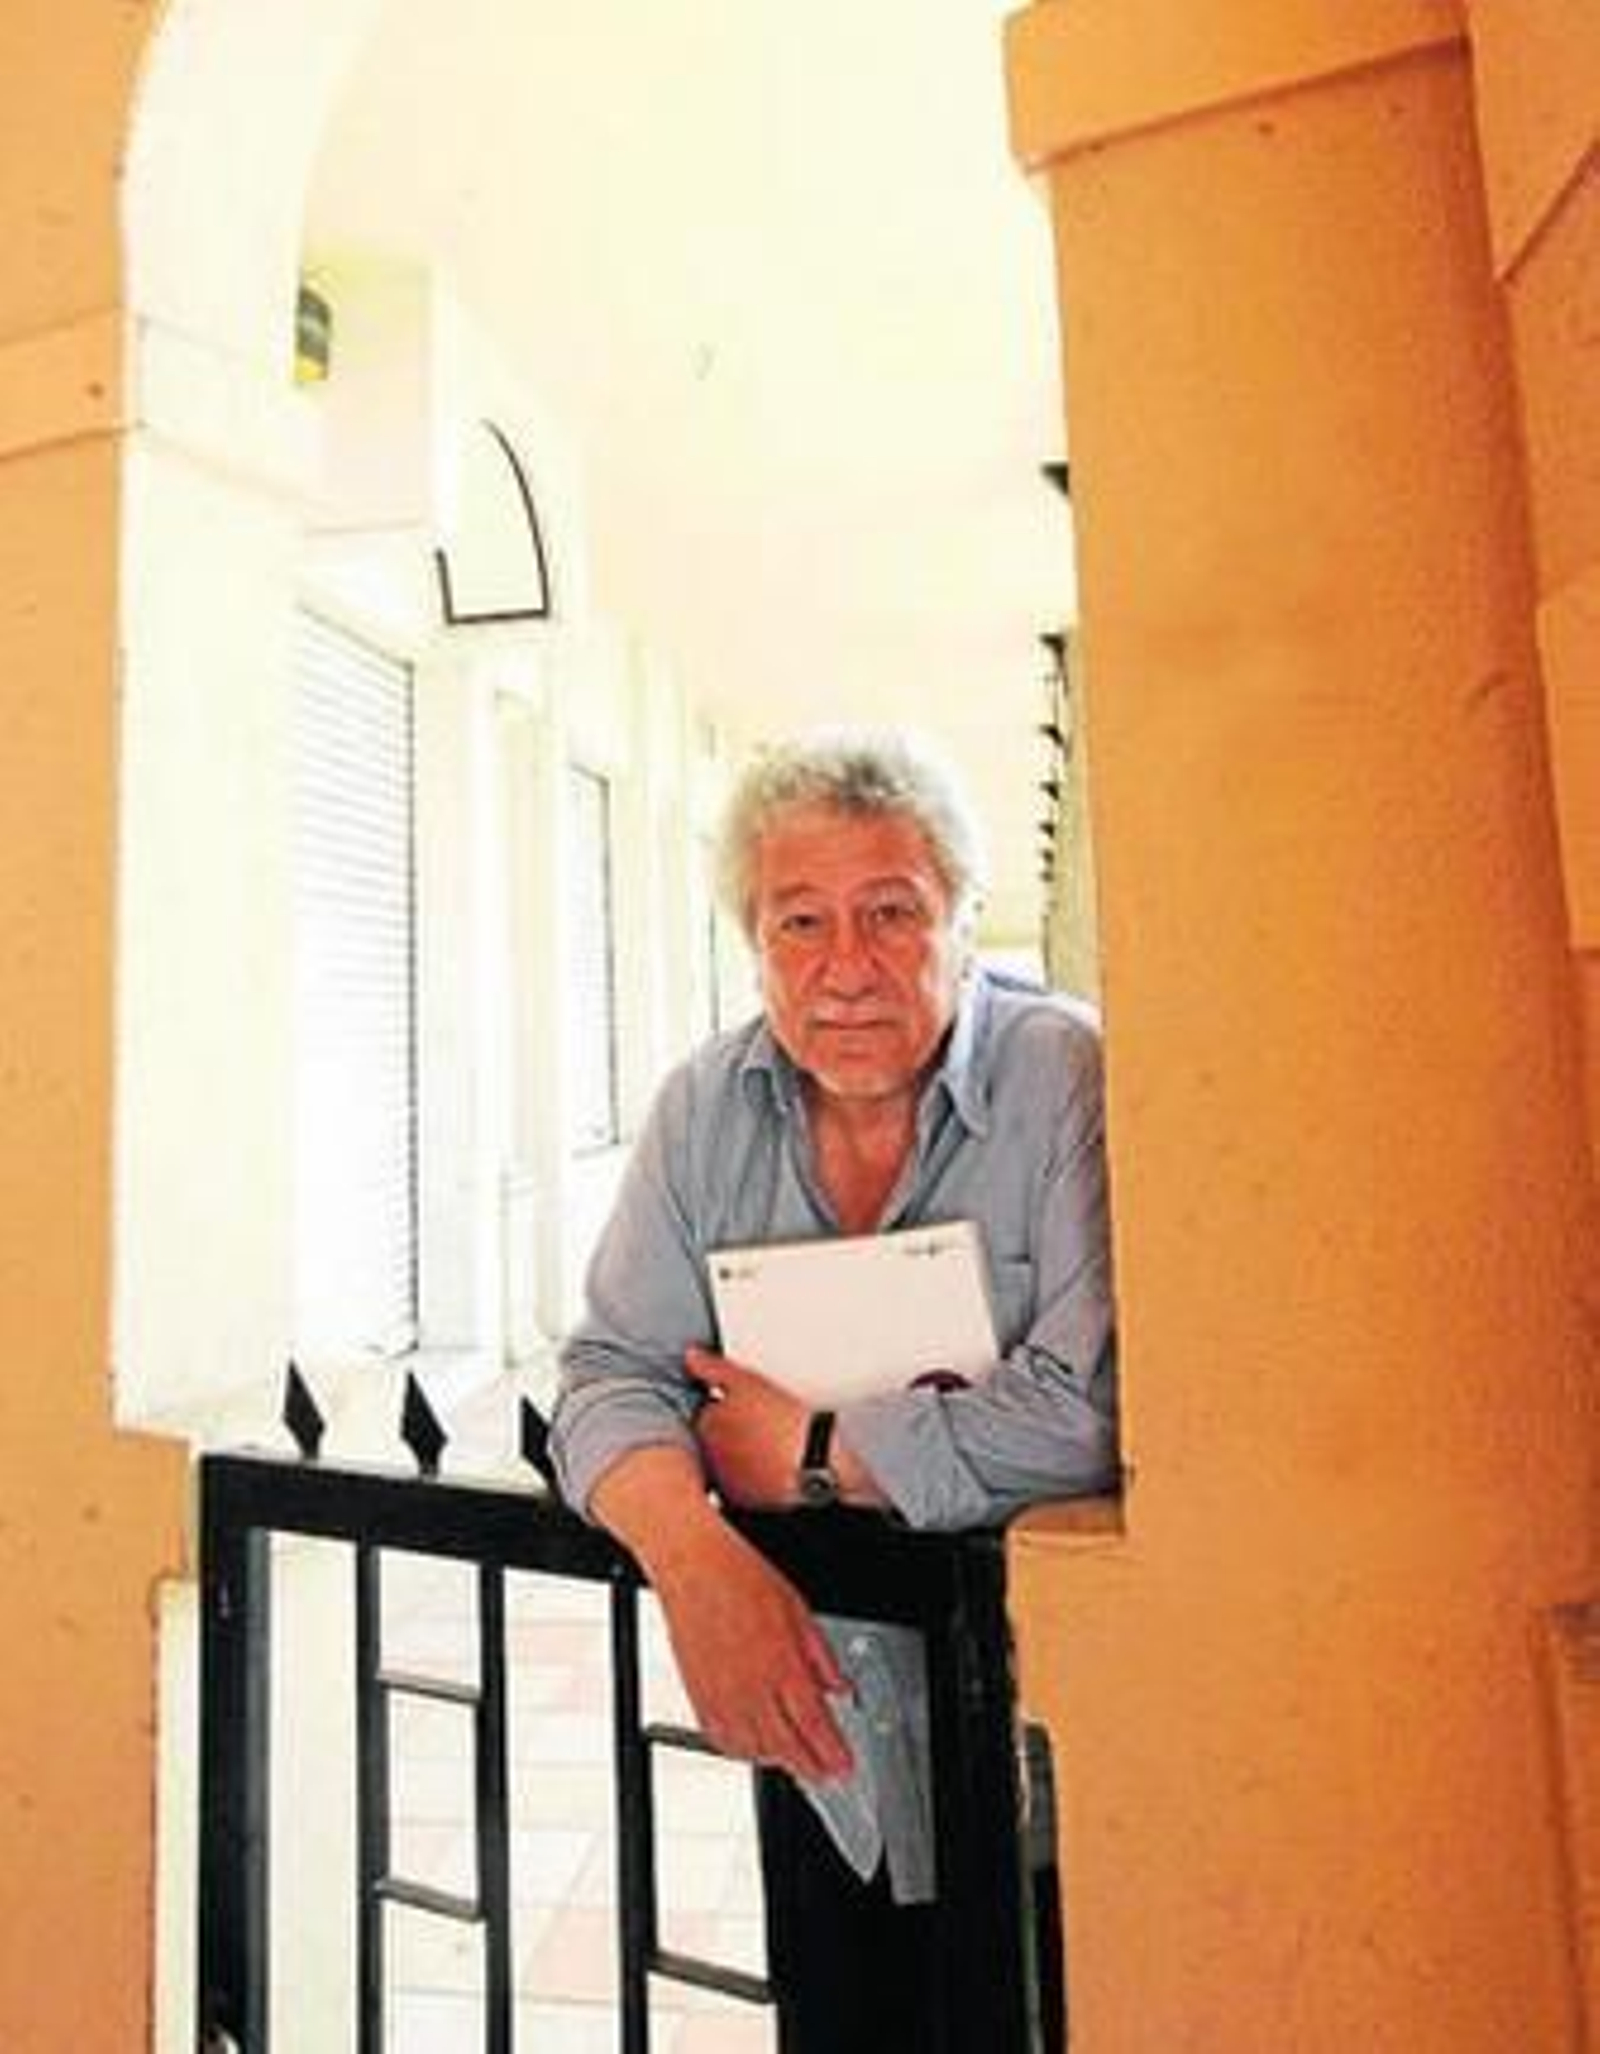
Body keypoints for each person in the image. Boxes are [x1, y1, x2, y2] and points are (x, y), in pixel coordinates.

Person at [549, 726, 1118, 2051]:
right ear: (754, 941)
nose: (846, 967)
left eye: (892, 913)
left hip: (1049, 1722)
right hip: (822, 1707)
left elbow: (1099, 1411)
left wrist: (814, 1451)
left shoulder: (1063, 1076)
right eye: (800, 920)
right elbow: (609, 1372)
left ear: (963, 919)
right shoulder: (706, 1109)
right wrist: (695, 1560)